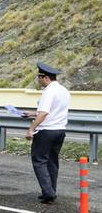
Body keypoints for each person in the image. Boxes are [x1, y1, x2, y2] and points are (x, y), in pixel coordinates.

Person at [24, 62, 71, 204]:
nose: (38, 80)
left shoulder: (48, 92)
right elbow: (53, 110)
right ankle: (51, 190)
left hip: (46, 131)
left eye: (39, 77)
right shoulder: (63, 90)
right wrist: (32, 113)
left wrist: (31, 129)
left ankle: (48, 192)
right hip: (60, 130)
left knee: (39, 161)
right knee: (52, 161)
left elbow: (44, 113)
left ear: (46, 78)